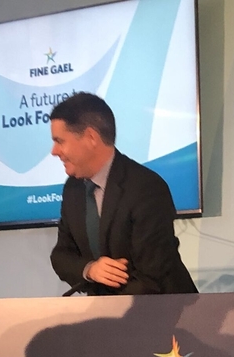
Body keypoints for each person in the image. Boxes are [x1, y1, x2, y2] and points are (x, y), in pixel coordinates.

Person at [49, 92, 197, 295]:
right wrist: (90, 269)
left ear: (91, 137)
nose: (54, 151)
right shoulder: (73, 188)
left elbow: (152, 275)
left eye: (60, 141)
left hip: (165, 314)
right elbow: (62, 256)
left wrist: (106, 313)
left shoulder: (146, 188)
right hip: (111, 314)